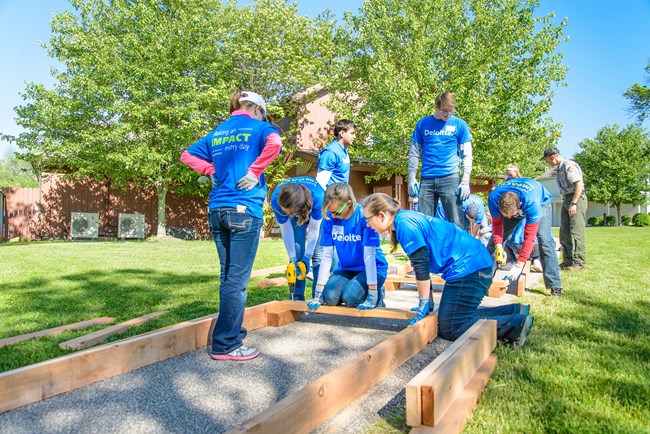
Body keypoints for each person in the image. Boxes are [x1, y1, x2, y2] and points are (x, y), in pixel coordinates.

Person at [180, 90, 282, 361]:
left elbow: (187, 155)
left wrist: (211, 170)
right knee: (237, 281)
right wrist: (254, 171)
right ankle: (226, 344)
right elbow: (275, 143)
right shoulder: (261, 127)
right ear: (258, 109)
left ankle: (228, 334)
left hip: (217, 210)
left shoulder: (219, 132)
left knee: (227, 277)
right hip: (244, 210)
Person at [363, 193, 534, 347]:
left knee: (451, 327)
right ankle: (514, 311)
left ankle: (515, 325)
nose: (368, 225)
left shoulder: (404, 225)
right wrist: (427, 302)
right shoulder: (404, 220)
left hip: (470, 269)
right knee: (459, 313)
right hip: (474, 265)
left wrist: (423, 303)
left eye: (368, 219)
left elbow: (421, 267)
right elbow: (422, 266)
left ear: (382, 215)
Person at [308, 183, 388, 310]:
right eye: (330, 211)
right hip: (347, 268)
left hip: (373, 268)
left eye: (337, 212)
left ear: (349, 203)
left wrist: (372, 292)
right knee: (329, 297)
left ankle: (378, 291)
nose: (333, 216)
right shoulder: (329, 219)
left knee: (350, 298)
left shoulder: (364, 217)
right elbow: (327, 256)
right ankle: (353, 287)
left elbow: (369, 256)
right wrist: (318, 291)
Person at [487, 177, 563, 296]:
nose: (509, 218)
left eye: (511, 215)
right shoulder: (494, 197)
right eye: (505, 215)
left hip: (542, 202)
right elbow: (497, 224)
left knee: (544, 240)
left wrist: (519, 264)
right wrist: (498, 246)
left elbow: (529, 237)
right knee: (492, 243)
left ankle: (555, 286)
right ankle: (483, 281)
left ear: (520, 206)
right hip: (516, 204)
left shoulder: (532, 203)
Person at [408, 92, 473, 227]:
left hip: (450, 178)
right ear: (436, 108)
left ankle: (459, 248)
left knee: (456, 222)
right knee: (424, 222)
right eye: (444, 111)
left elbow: (466, 154)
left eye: (450, 111)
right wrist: (411, 178)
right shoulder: (423, 124)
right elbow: (414, 153)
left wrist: (466, 180)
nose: (447, 115)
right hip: (427, 179)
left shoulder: (459, 125)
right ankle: (428, 248)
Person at [270, 176, 324, 300]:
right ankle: (297, 297)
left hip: (315, 210)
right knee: (297, 252)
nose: (287, 214)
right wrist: (293, 258)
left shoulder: (318, 197)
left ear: (298, 207)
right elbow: (286, 230)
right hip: (297, 206)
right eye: (285, 212)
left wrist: (308, 256)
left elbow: (314, 229)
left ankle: (319, 297)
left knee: (318, 255)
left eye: (290, 212)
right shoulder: (276, 199)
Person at [542, 147, 587, 271]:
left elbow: (579, 184)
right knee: (564, 232)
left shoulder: (568, 165)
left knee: (576, 232)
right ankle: (567, 261)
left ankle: (579, 263)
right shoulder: (559, 169)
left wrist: (574, 203)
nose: (548, 163)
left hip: (576, 199)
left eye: (547, 160)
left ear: (553, 157)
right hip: (567, 199)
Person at [316, 119, 355, 190]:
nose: (354, 136)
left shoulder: (343, 151)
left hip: (342, 197)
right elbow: (321, 183)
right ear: (342, 133)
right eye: (352, 133)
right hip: (332, 199)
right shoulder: (330, 153)